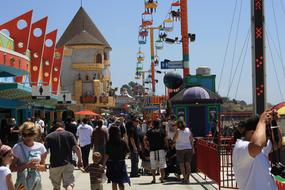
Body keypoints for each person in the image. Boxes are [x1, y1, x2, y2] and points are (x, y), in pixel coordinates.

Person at [233, 111, 277, 190]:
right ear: (252, 133)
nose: (267, 137)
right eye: (265, 133)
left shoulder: (261, 149)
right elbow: (257, 145)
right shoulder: (241, 148)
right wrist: (262, 121)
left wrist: (274, 122)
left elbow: (278, 143)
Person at [45, 122, 83, 190]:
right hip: (68, 163)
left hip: (54, 164)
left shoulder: (49, 136)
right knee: (68, 184)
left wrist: (42, 162)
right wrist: (80, 160)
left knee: (56, 186)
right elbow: (77, 148)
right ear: (64, 127)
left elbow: (45, 151)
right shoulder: (69, 134)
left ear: (54, 128)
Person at [10, 122, 47, 190]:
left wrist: (38, 166)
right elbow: (11, 168)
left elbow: (43, 167)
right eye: (24, 134)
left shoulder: (41, 147)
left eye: (30, 134)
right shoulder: (17, 147)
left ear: (35, 134)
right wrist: (26, 166)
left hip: (36, 182)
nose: (27, 137)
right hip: (22, 184)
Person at [103, 126, 130, 190]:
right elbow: (128, 151)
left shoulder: (109, 142)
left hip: (112, 163)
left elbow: (106, 154)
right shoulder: (122, 141)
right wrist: (123, 156)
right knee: (121, 181)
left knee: (114, 181)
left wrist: (103, 164)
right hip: (121, 163)